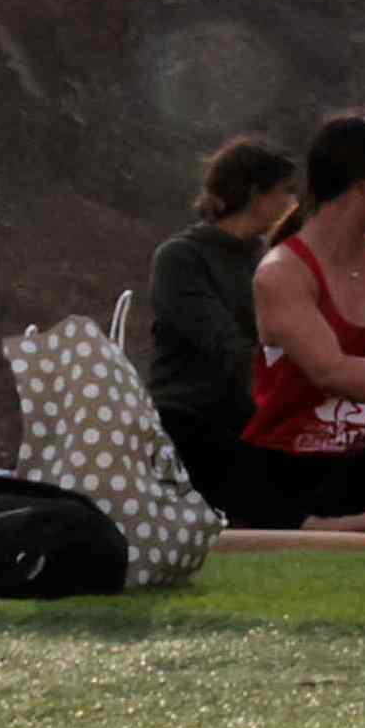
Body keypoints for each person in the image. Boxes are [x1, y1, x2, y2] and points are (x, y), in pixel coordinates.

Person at [208, 110, 365, 538]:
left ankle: (358, 522)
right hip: (294, 465)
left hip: (362, 465)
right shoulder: (282, 271)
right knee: (233, 461)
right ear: (363, 183)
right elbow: (329, 370)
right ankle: (320, 524)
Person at [144, 137, 302, 478]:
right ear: (256, 194)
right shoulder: (181, 257)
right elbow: (226, 346)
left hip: (252, 412)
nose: (293, 202)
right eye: (285, 191)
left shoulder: (268, 259)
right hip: (190, 417)